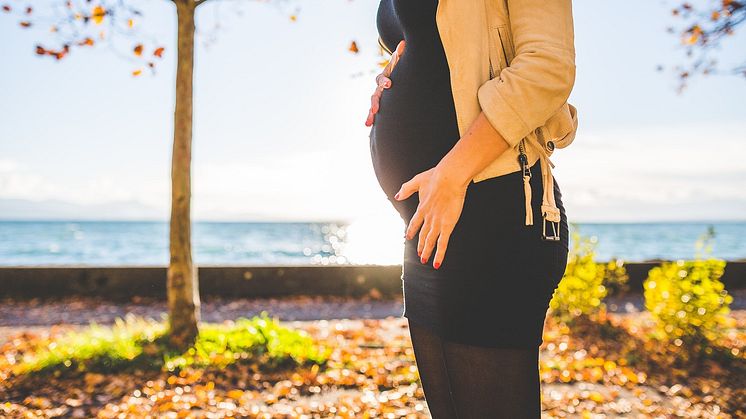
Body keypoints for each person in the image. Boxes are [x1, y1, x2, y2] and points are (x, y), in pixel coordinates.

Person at [365, 0, 576, 417]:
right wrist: (390, 74)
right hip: (428, 226)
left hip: (493, 212)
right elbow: (435, 48)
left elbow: (547, 66)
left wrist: (451, 175)